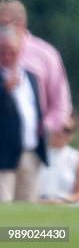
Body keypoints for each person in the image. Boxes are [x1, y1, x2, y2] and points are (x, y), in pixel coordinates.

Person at [0, 0, 72, 134]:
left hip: (33, 144)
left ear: (21, 24)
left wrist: (41, 128)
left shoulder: (46, 55)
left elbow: (61, 105)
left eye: (3, 25)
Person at [0, 25, 48, 202]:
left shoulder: (31, 77)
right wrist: (4, 91)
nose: (7, 57)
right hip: (3, 155)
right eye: (3, 52)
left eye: (12, 51)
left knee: (27, 209)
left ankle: (24, 232)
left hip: (30, 152)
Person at [38, 114, 79, 204]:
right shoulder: (35, 154)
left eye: (67, 130)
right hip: (35, 204)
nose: (61, 133)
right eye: (58, 127)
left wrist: (60, 201)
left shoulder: (78, 159)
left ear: (72, 134)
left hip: (63, 206)